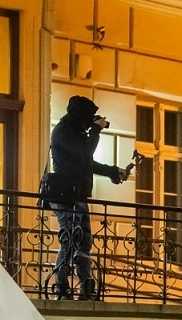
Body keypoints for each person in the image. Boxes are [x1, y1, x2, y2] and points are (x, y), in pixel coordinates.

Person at [41, 96, 141, 300]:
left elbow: (88, 163)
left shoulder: (75, 132)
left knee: (84, 241)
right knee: (69, 238)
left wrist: (114, 172)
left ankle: (86, 287)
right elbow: (85, 153)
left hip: (77, 194)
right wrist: (95, 130)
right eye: (88, 117)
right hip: (64, 195)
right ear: (80, 115)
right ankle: (61, 286)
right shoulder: (62, 131)